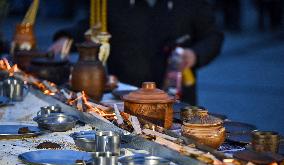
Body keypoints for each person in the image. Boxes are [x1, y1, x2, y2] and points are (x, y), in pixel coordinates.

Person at [50, 0, 224, 105]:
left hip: (177, 97)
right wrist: (68, 37)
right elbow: (92, 26)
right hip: (124, 95)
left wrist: (194, 54)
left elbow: (212, 35)